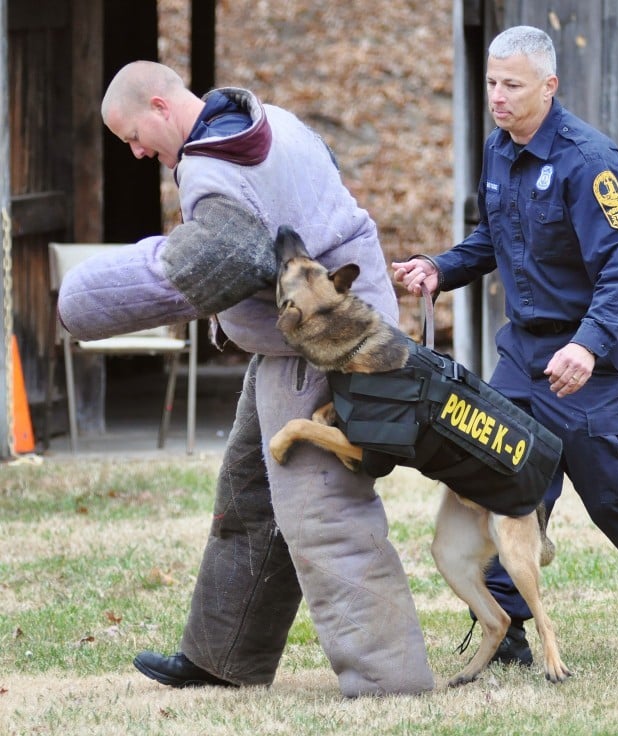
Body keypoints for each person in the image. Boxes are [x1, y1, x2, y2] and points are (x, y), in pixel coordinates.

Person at [57, 61, 434, 697]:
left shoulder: (212, 165)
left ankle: (388, 681)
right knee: (250, 495)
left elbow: (220, 258)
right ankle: (221, 659)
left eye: (133, 135)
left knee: (323, 513)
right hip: (305, 334)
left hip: (326, 343)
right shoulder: (271, 121)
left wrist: (83, 299)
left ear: (159, 104)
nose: (137, 151)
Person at [392, 25, 618, 667]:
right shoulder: (499, 151)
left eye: (512, 85)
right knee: (500, 478)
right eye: (492, 82)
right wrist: (440, 267)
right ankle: (507, 627)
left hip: (592, 365)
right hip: (523, 359)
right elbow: (491, 241)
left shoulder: (588, 160)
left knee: (616, 497)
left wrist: (585, 346)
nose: (497, 95)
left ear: (549, 87)